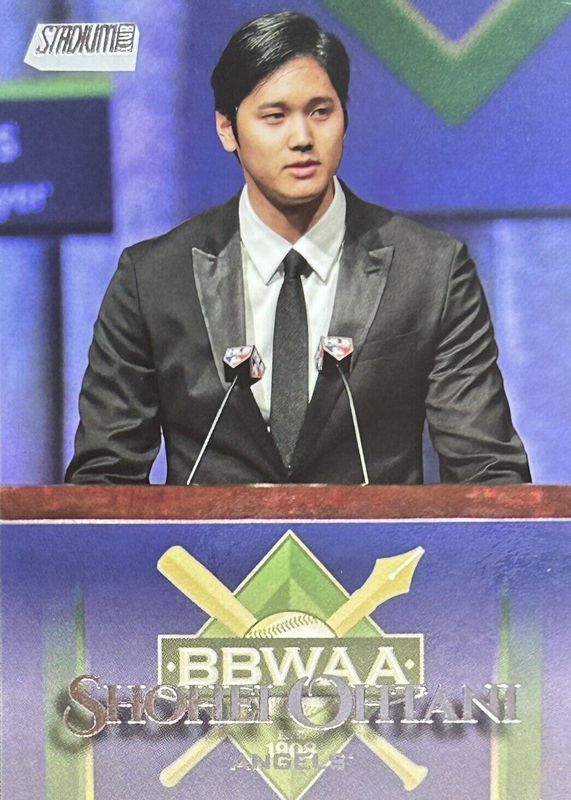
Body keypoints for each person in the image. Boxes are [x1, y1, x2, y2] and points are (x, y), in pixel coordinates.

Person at [66, 11, 530, 485]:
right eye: (275, 116)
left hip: (372, 538)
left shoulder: (431, 271)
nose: (303, 138)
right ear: (227, 129)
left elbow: (489, 473)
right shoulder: (153, 279)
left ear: (344, 118)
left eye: (320, 112)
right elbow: (103, 480)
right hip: (212, 538)